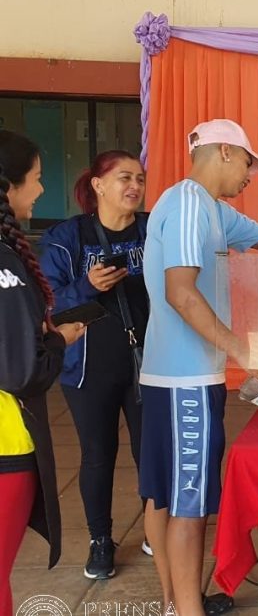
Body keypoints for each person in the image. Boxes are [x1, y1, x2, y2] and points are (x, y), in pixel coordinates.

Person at [139, 119, 258, 616]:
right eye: (247, 162)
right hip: (184, 382)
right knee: (189, 505)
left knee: (175, 497)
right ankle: (186, 610)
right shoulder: (185, 204)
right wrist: (244, 353)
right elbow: (181, 292)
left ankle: (180, 601)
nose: (250, 175)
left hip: (192, 377)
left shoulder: (216, 211)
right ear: (224, 151)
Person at [39, 150, 150, 580]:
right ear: (98, 185)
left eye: (140, 179)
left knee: (150, 452)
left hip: (147, 360)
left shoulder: (152, 228)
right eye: (124, 178)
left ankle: (154, 531)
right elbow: (48, 301)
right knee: (98, 455)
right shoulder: (68, 237)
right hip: (88, 366)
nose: (134, 187)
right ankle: (100, 540)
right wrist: (87, 285)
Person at [0, 130, 86, 616]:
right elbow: (22, 370)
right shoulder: (5, 263)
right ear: (7, 187)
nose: (39, 190)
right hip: (5, 442)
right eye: (33, 179)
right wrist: (59, 340)